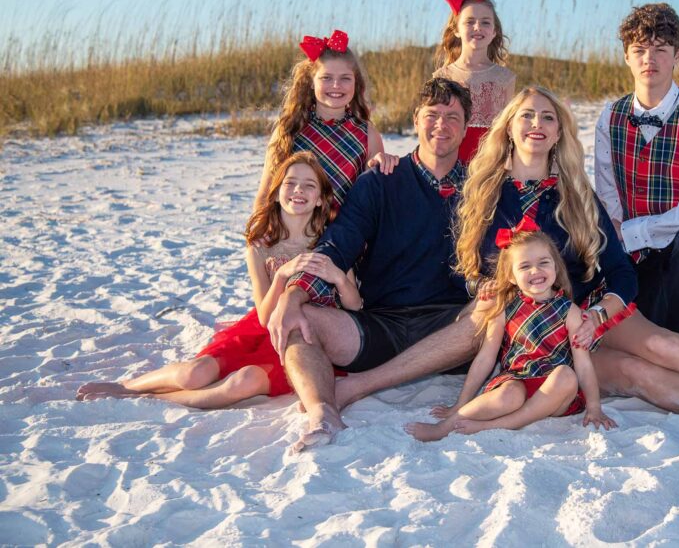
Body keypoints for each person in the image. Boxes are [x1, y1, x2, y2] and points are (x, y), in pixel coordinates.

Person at [336, 87, 679, 428]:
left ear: (558, 132)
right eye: (526, 116)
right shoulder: (484, 193)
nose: (537, 125)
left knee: (664, 344)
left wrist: (599, 312)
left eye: (548, 117)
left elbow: (617, 268)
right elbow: (475, 267)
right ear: (510, 127)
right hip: (533, 337)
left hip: (589, 314)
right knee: (641, 378)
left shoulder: (575, 192)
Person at [267, 78, 480, 452]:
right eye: (432, 115)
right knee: (303, 323)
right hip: (382, 324)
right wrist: (294, 294)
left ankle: (358, 386)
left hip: (451, 331)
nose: (441, 125)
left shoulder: (479, 189)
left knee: (493, 310)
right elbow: (338, 244)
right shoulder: (381, 181)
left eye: (452, 117)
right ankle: (322, 411)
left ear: (466, 126)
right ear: (416, 119)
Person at [76, 154, 360, 407]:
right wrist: (283, 274)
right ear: (275, 193)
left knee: (244, 383)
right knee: (194, 373)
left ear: (321, 198)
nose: (299, 190)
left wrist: (339, 277)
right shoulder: (261, 245)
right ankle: (128, 386)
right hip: (262, 329)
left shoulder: (331, 241)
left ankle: (157, 398)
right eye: (290, 183)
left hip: (308, 338)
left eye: (310, 185)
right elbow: (263, 317)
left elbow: (355, 306)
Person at [595, 3, 679, 345]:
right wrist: (616, 231)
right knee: (635, 333)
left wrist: (633, 232)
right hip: (628, 238)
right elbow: (607, 189)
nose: (648, 60)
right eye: (639, 50)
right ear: (626, 56)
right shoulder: (610, 116)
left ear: (678, 54)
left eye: (660, 50)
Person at [405, 227, 614, 442]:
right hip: (517, 379)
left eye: (543, 262)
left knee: (566, 375)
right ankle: (444, 427)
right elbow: (486, 358)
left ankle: (499, 425)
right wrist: (460, 403)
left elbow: (583, 364)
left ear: (555, 266)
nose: (535, 271)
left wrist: (594, 407)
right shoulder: (505, 308)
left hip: (556, 394)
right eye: (525, 266)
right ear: (511, 277)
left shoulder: (570, 311)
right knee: (509, 395)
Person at [254, 29, 397, 213]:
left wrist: (382, 164)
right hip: (293, 236)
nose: (336, 85)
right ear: (311, 82)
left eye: (345, 78)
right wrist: (259, 232)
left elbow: (374, 199)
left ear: (356, 83)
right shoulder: (290, 128)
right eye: (326, 78)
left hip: (344, 238)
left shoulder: (367, 134)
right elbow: (266, 192)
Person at [432, 0, 516, 162]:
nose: (477, 27)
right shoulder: (442, 77)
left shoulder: (505, 78)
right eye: (469, 21)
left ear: (494, 32)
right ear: (456, 29)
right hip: (450, 163)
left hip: (489, 165)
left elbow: (509, 133)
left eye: (485, 22)